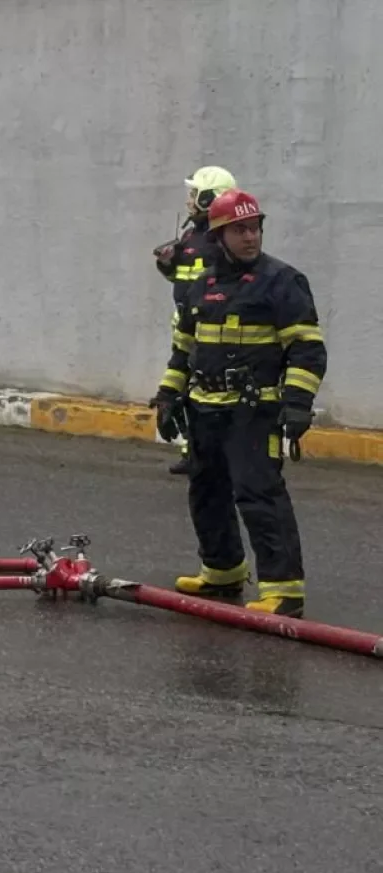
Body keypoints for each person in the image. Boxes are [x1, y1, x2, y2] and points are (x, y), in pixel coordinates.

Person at [151, 190, 327, 619]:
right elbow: (184, 347)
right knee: (206, 491)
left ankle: (284, 590)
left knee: (258, 494)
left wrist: (298, 405)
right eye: (239, 230)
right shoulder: (200, 283)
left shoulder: (282, 282)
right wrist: (169, 394)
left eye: (255, 228)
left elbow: (307, 349)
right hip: (205, 407)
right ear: (218, 235)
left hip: (254, 410)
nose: (250, 238)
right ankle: (223, 570)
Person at [152, 165, 238, 474]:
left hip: (211, 330)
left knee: (203, 389)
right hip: (186, 326)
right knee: (185, 389)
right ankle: (193, 453)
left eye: (194, 193)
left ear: (209, 198)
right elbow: (183, 279)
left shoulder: (221, 240)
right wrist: (168, 263)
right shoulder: (191, 234)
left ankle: (212, 455)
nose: (189, 199)